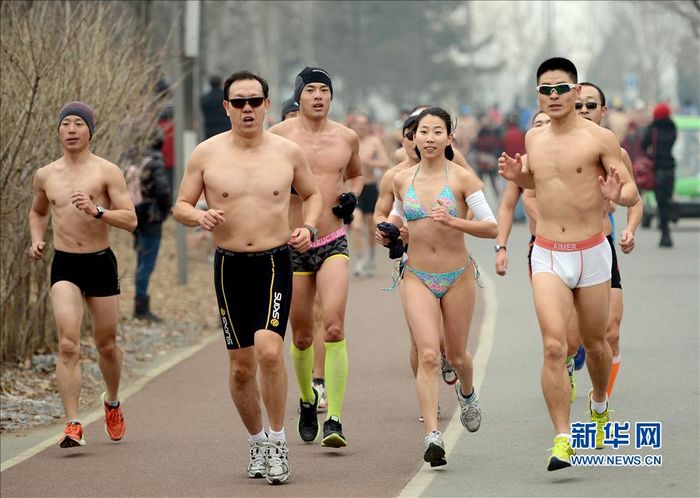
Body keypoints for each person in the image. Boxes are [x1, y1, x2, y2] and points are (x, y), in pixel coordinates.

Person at [173, 70, 322, 485]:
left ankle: (278, 442)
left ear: (267, 104)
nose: (247, 109)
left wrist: (308, 227)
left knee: (270, 351)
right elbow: (180, 206)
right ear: (226, 108)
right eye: (238, 102)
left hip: (275, 262)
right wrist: (199, 215)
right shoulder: (206, 153)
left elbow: (312, 194)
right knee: (241, 368)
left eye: (254, 101)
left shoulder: (287, 152)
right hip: (228, 266)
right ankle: (256, 441)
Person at [499, 58, 639, 471]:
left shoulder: (600, 139)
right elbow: (539, 182)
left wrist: (621, 192)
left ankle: (598, 403)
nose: (554, 96)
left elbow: (630, 189)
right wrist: (517, 176)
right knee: (555, 345)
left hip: (593, 252)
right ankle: (562, 437)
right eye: (546, 90)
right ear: (537, 95)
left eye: (562, 89)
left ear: (577, 92)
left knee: (596, 344)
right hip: (547, 253)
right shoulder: (534, 138)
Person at [391, 107, 498, 467]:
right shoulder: (401, 179)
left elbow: (491, 226)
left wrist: (454, 221)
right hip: (417, 274)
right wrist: (389, 231)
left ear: (450, 138)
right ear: (414, 138)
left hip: (457, 275)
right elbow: (394, 218)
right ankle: (433, 435)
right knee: (428, 354)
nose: (431, 138)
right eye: (424, 131)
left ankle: (467, 395)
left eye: (438, 132)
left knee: (457, 355)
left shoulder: (464, 179)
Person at [27, 101, 137, 448]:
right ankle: (73, 422)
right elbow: (37, 211)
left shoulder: (106, 172)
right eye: (66, 124)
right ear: (58, 131)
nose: (71, 129)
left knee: (106, 346)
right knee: (68, 343)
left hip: (101, 263)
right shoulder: (46, 175)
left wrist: (98, 210)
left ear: (90, 130)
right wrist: (36, 240)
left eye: (79, 124)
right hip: (65, 265)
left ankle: (113, 402)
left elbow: (131, 220)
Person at [269, 66, 363, 448]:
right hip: (291, 246)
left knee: (335, 326)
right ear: (299, 97)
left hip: (332, 241)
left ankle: (335, 418)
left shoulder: (347, 137)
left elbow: (355, 175)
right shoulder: (276, 137)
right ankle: (308, 399)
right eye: (311, 90)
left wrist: (351, 197)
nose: (319, 96)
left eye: (325, 90)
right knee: (303, 334)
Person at [374, 113, 458, 420]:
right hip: (411, 261)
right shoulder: (394, 176)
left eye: (430, 132)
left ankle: (449, 355)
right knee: (420, 341)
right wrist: (389, 230)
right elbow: (381, 214)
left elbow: (471, 207)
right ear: (406, 139)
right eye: (414, 133)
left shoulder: (453, 169)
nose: (420, 139)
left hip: (450, 263)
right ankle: (430, 403)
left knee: (444, 340)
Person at [576, 82, 643, 398]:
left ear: (604, 111)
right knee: (567, 338)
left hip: (602, 245)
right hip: (559, 252)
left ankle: (602, 402)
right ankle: (567, 362)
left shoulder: (618, 155)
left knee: (611, 331)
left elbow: (635, 199)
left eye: (591, 105)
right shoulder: (553, 151)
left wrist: (630, 228)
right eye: (579, 105)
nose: (585, 110)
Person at [126, 128, 172, 322]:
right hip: (151, 219)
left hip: (135, 218)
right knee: (147, 263)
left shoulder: (133, 162)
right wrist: (164, 212)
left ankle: (140, 303)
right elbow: (163, 191)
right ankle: (141, 307)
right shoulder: (155, 164)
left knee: (141, 260)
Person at [350, 111, 391, 277]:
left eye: (363, 124)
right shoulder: (350, 142)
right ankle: (360, 259)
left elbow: (385, 162)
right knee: (356, 225)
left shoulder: (374, 142)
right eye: (358, 124)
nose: (360, 127)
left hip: (370, 188)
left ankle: (371, 259)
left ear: (368, 126)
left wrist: (370, 162)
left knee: (370, 228)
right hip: (354, 190)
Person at [642, 102, 677, 247]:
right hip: (671, 167)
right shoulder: (673, 127)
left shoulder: (653, 128)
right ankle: (666, 228)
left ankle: (665, 233)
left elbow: (644, 145)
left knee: (661, 202)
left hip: (658, 169)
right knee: (667, 201)